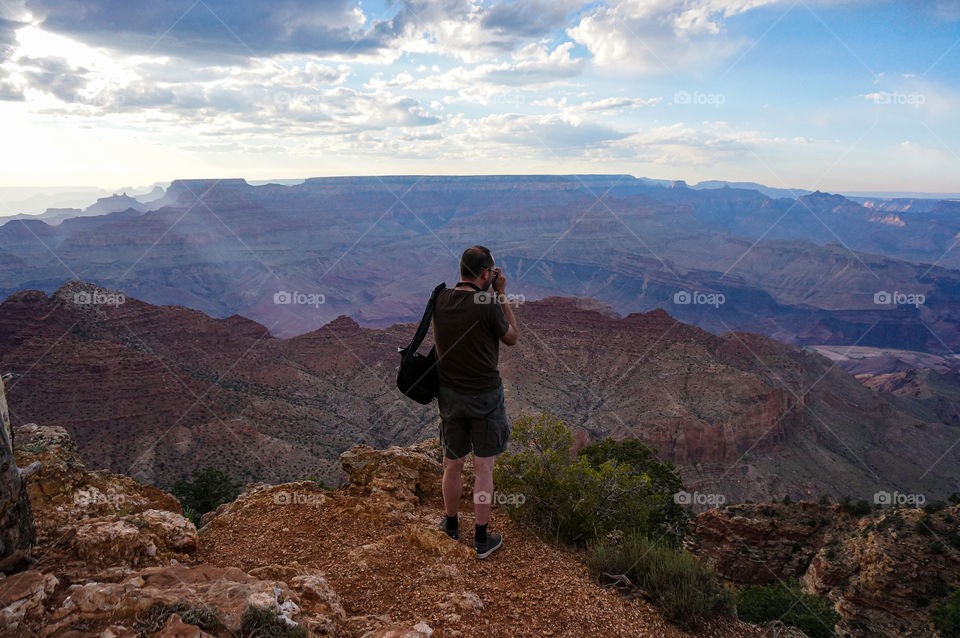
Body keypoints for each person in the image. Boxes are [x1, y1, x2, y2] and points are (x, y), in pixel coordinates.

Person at [431, 245, 519, 558]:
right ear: (485, 274)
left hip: (450, 397)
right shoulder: (487, 302)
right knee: (483, 467)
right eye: (492, 272)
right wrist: (501, 294)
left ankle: (451, 527)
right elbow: (512, 337)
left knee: (452, 464)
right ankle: (482, 540)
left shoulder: (440, 298)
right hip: (485, 398)